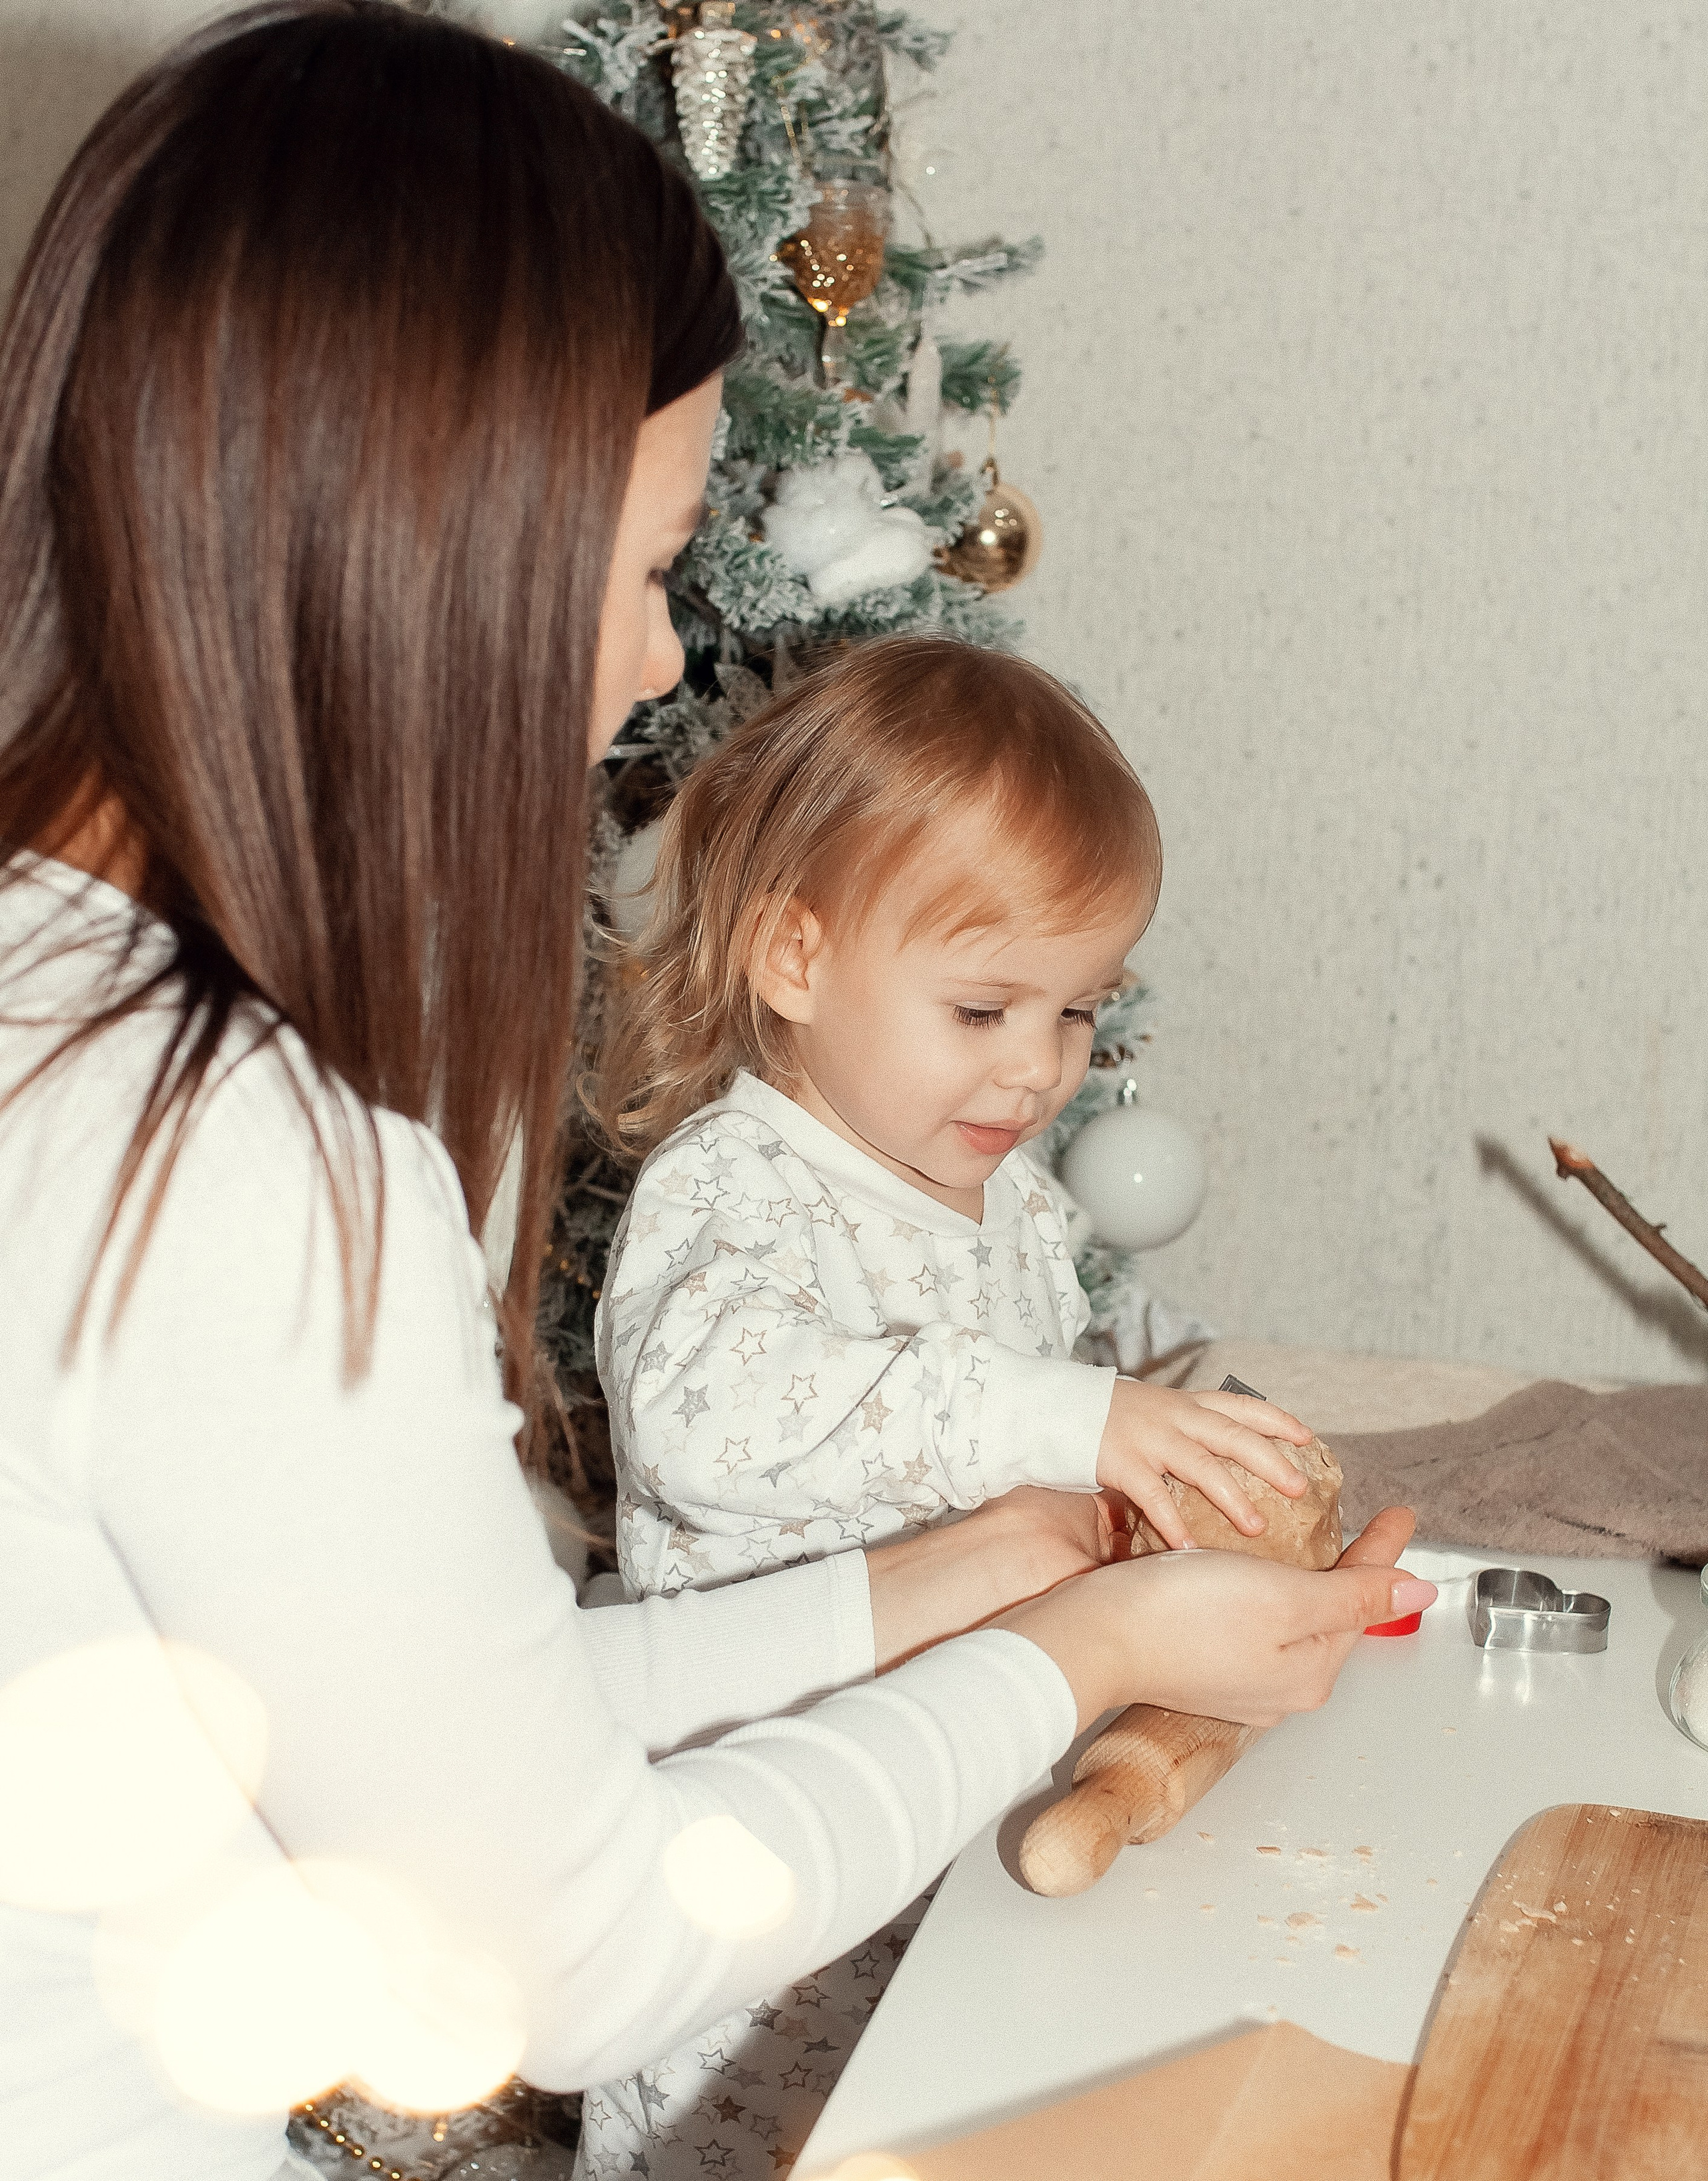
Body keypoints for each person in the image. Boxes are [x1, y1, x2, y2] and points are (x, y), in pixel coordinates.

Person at [0, 9, 1434, 2180]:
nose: (665, 661)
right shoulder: (224, 1156)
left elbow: (457, 1715)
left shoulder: (56, 1004)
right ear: (432, 548)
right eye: (650, 567)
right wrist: (1091, 1645)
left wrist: (937, 1589)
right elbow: (561, 1948)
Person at [584, 636, 1334, 2176]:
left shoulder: (1006, 1199)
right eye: (984, 1010)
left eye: (1076, 1014)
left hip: (961, 1817)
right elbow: (709, 1424)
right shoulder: (731, 1189)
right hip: (761, 1887)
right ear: (794, 961)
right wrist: (1073, 1424)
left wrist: (1151, 1461)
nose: (1038, 1073)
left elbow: (1023, 1428)